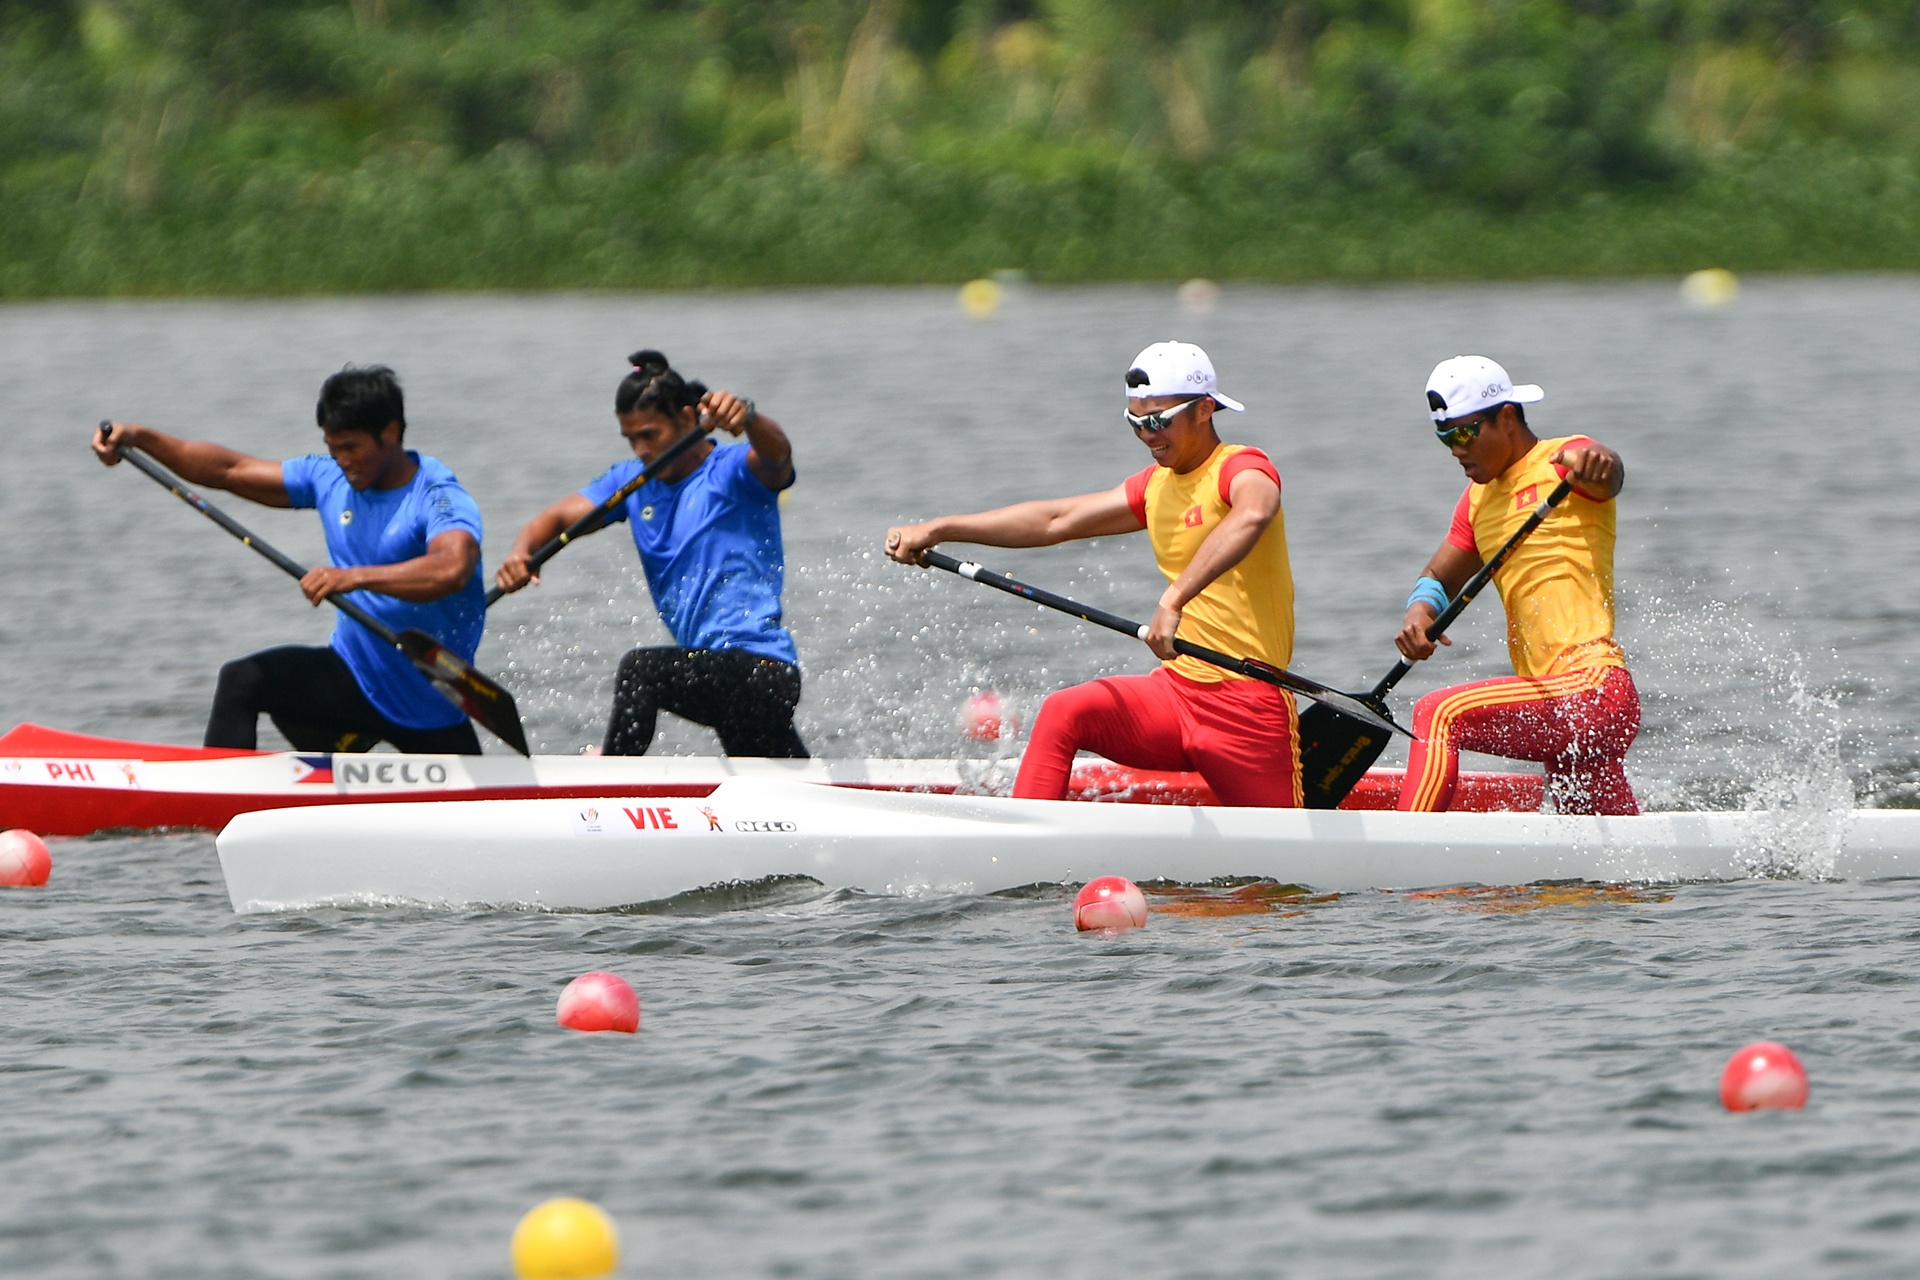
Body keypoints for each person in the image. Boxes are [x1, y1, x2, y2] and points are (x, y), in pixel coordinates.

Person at [887, 341, 1298, 806]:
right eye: (1135, 422)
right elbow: (1055, 520)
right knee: (1067, 710)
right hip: (1177, 693)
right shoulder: (1154, 487)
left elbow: (1253, 514)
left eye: (1159, 420)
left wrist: (1173, 599)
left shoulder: (1242, 468)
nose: (1148, 435)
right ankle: (1027, 841)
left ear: (1205, 409)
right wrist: (940, 529)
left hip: (1247, 707)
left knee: (1278, 880)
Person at [92, 365, 487, 753]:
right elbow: (230, 470)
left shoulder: (437, 495)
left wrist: (354, 578)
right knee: (244, 679)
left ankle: (350, 749)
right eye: (333, 449)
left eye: (351, 447)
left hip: (431, 704)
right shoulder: (329, 477)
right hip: (354, 677)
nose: (343, 460)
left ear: (391, 433)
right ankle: (221, 804)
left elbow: (452, 569)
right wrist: (139, 438)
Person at [495, 350, 806, 758]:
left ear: (688, 418)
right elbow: (552, 520)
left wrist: (747, 417)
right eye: (631, 439)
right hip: (713, 676)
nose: (641, 449)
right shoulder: (632, 482)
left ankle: (610, 780)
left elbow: (778, 453)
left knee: (641, 672)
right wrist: (521, 554)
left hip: (762, 672)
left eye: (650, 435)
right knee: (774, 789)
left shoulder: (736, 470)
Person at [1393, 355, 1639, 814]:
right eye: (1444, 437)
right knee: (1594, 866)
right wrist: (1419, 612)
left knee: (1438, 714)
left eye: (1465, 433)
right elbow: (1439, 576)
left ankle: (1404, 866)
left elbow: (1609, 473)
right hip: (1551, 700)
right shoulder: (1476, 500)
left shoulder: (1565, 463)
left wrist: (1600, 461)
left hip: (1590, 688)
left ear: (1506, 417)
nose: (1455, 449)